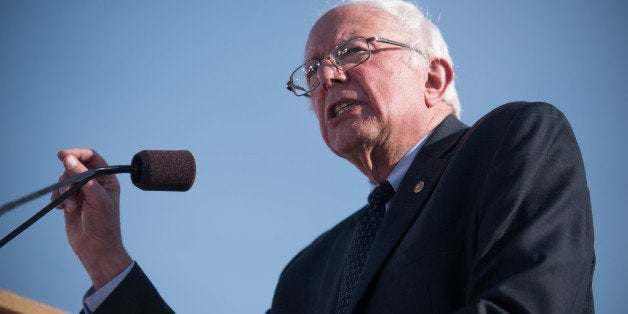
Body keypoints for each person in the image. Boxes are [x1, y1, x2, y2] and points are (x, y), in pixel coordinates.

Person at [53, 0, 595, 313]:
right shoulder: (308, 271)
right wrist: (106, 261)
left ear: (434, 76)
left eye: (353, 51)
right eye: (311, 71)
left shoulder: (513, 142)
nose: (328, 76)